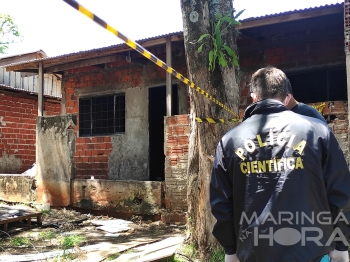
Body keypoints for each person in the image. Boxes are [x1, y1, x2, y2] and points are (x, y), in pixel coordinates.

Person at [210, 66, 350, 262]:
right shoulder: (318, 132)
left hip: (253, 253)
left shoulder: (230, 141)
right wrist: (341, 244)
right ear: (287, 97)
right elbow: (341, 194)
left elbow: (221, 204)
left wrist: (230, 249)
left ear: (254, 97)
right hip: (312, 251)